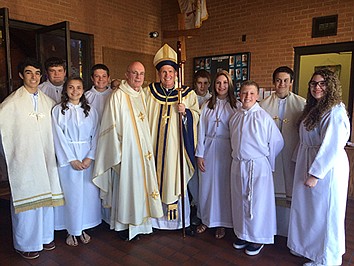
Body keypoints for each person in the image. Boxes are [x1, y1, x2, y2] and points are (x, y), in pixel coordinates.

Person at [0, 58, 64, 259]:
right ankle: (25, 243)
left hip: (45, 159)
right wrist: (15, 158)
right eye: (29, 72)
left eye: (37, 73)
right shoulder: (10, 104)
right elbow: (4, 135)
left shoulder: (49, 102)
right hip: (25, 161)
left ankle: (45, 237)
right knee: (27, 202)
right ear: (21, 75)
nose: (34, 77)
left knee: (46, 198)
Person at [93, 61, 163, 241]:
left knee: (141, 187)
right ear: (127, 74)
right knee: (127, 188)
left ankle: (142, 225)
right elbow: (110, 125)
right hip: (126, 152)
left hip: (144, 152)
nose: (138, 77)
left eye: (141, 73)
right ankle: (124, 226)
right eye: (134, 73)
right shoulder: (118, 96)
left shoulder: (143, 95)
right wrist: (118, 152)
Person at [287, 69, 350, 266]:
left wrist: (315, 174)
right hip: (308, 161)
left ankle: (326, 258)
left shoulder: (335, 110)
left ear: (331, 86)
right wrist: (298, 160)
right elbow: (305, 139)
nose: (317, 87)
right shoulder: (314, 108)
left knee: (325, 212)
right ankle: (308, 248)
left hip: (326, 169)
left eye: (322, 83)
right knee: (309, 212)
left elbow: (332, 145)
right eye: (314, 83)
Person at [144, 44, 200, 233]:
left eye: (170, 71)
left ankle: (179, 222)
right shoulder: (149, 92)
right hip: (153, 147)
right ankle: (153, 221)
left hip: (176, 150)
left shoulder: (187, 94)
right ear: (158, 73)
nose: (167, 75)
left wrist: (186, 114)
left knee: (174, 179)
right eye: (163, 71)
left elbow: (196, 117)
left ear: (176, 73)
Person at [229, 80, 284, 256]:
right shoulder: (236, 116)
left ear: (257, 96)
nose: (247, 97)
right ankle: (243, 234)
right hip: (238, 164)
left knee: (257, 204)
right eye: (244, 93)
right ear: (239, 94)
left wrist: (266, 162)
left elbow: (277, 142)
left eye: (251, 93)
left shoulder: (263, 117)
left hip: (257, 167)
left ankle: (257, 238)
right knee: (240, 201)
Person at [52, 76, 101, 247]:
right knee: (71, 195)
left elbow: (96, 135)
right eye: (71, 87)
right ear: (66, 90)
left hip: (86, 156)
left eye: (78, 87)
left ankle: (83, 227)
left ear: (83, 90)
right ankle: (70, 229)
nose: (75, 91)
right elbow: (58, 137)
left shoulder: (91, 111)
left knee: (86, 194)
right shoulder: (59, 110)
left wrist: (90, 156)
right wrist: (71, 159)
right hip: (68, 158)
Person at [259, 66, 306, 236]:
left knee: (290, 190)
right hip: (270, 155)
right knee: (270, 190)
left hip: (291, 152)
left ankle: (288, 231)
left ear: (291, 82)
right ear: (273, 82)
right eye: (278, 80)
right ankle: (271, 228)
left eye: (286, 80)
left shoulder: (302, 104)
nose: (282, 84)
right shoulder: (263, 105)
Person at [195, 70, 240, 239]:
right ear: (214, 85)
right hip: (208, 147)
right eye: (218, 83)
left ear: (229, 85)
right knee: (206, 185)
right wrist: (200, 154)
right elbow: (200, 131)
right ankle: (206, 219)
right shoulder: (207, 105)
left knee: (223, 186)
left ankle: (222, 223)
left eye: (225, 83)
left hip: (227, 149)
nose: (221, 86)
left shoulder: (236, 105)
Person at [189, 69, 212, 226]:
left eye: (205, 83)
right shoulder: (189, 98)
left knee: (206, 178)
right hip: (191, 141)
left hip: (207, 145)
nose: (202, 86)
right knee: (192, 177)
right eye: (199, 83)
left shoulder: (212, 99)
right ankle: (196, 205)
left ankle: (205, 208)